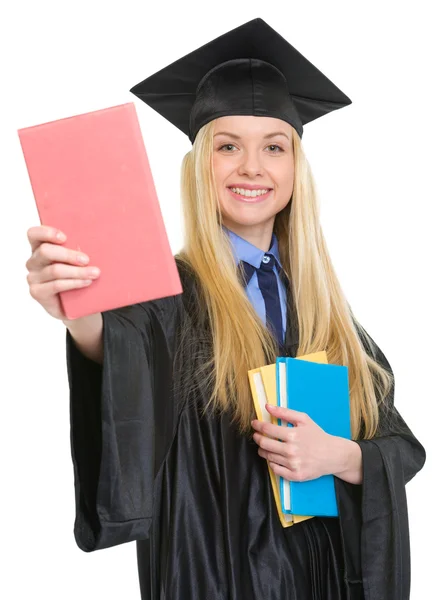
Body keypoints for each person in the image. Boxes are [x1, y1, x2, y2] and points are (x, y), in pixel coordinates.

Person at [25, 17, 425, 600]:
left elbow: (399, 446)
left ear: (296, 169)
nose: (252, 167)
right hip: (212, 575)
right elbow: (119, 348)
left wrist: (340, 455)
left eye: (274, 147)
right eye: (228, 146)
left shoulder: (328, 313)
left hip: (326, 579)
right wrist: (76, 304)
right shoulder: (167, 296)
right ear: (198, 165)